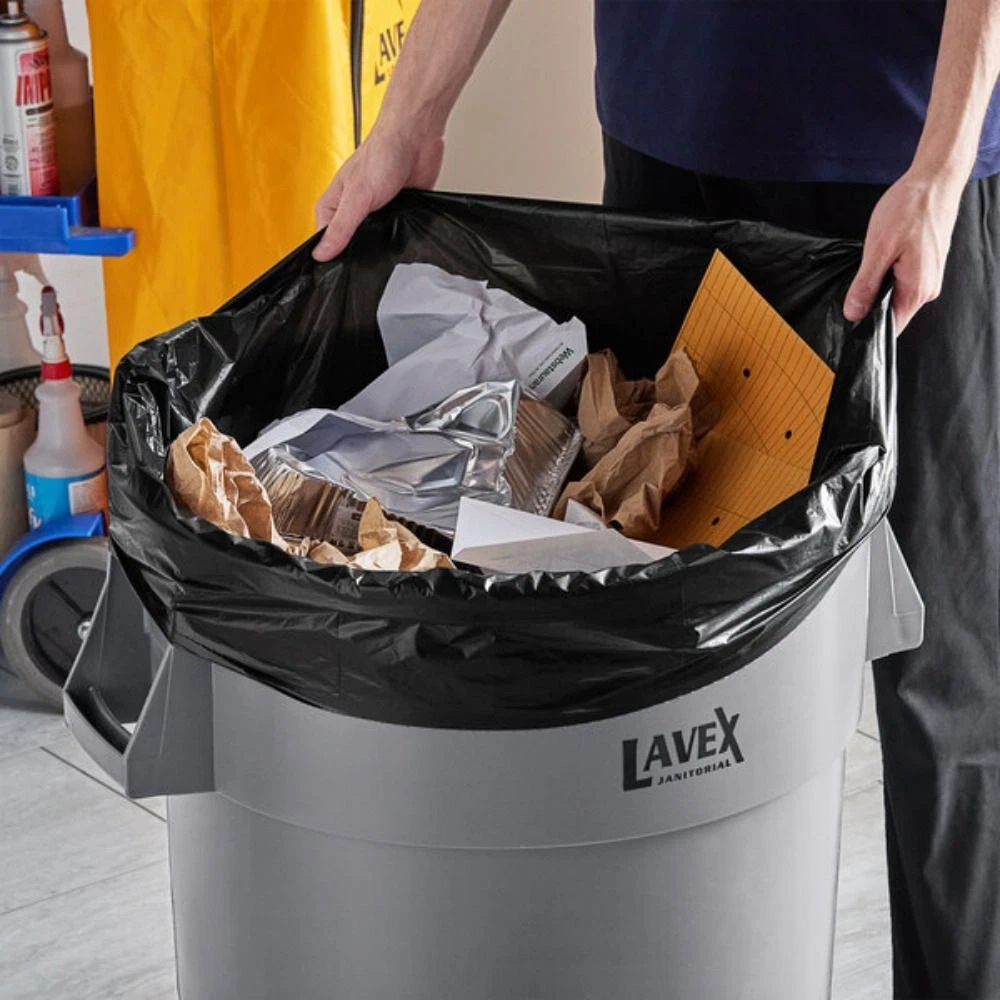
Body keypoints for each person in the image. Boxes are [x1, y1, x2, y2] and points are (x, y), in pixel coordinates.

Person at [313, 2, 1000, 996]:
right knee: (662, 631)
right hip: (670, 143)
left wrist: (940, 166)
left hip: (897, 163)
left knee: (942, 664)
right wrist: (408, 119)